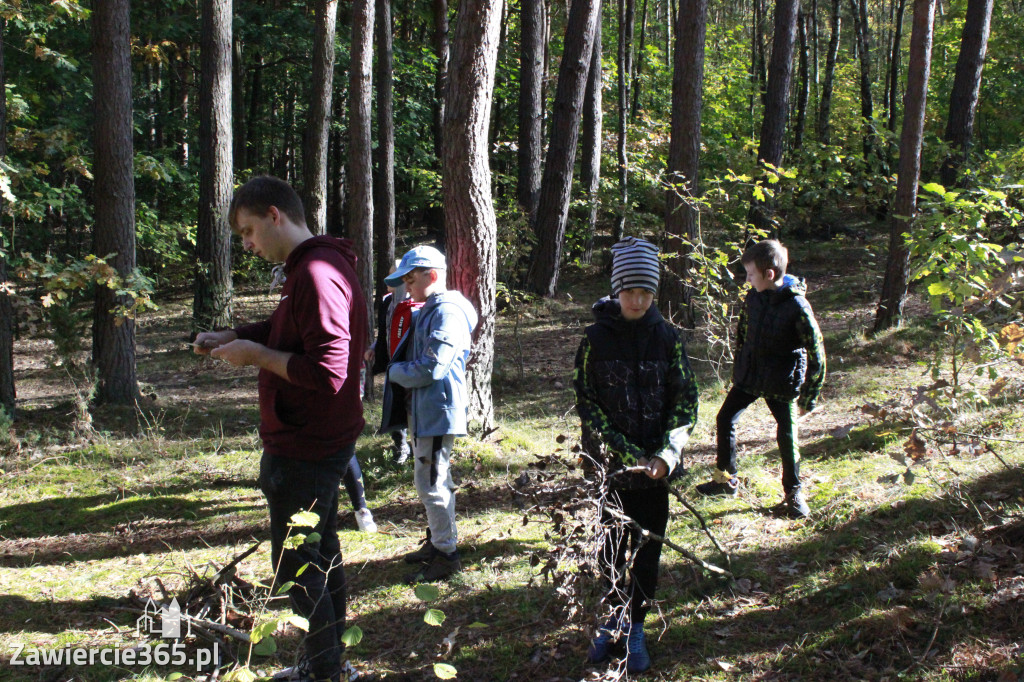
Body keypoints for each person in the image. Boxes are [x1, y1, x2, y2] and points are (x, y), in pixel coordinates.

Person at [194, 176, 367, 682]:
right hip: (313, 439)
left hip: (306, 446)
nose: (247, 244)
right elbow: (291, 330)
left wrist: (256, 357)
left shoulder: (315, 272)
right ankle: (329, 665)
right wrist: (237, 335)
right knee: (321, 551)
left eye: (248, 231)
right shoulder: (315, 267)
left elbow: (329, 372)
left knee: (302, 563)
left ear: (275, 215)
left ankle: (322, 671)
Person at [574, 236, 699, 674]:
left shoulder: (668, 339)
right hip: (610, 473)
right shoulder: (593, 340)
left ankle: (637, 627)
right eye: (630, 291)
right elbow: (588, 404)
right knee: (609, 549)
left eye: (646, 291)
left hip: (655, 476)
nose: (638, 299)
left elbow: (685, 403)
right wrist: (625, 454)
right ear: (616, 290)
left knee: (647, 555)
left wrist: (666, 454)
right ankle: (609, 622)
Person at [695, 239, 826, 520]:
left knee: (787, 435)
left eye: (751, 275)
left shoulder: (798, 307)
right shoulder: (753, 297)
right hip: (751, 376)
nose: (747, 280)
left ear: (769, 275)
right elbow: (743, 333)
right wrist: (740, 369)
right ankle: (726, 480)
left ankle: (793, 493)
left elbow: (818, 353)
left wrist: (809, 396)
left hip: (782, 381)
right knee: (725, 418)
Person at [379, 245, 478, 584]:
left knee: (432, 483)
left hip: (437, 409)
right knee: (431, 479)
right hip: (424, 409)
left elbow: (432, 368)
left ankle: (447, 555)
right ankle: (437, 543)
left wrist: (392, 372)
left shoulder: (446, 312)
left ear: (431, 276)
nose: (406, 287)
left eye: (410, 279)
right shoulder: (431, 308)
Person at [364, 261, 419, 465]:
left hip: (410, 364)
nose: (389, 282)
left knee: (410, 407)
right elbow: (385, 331)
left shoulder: (416, 303)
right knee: (393, 404)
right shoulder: (387, 303)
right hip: (392, 363)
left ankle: (416, 448)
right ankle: (400, 446)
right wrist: (374, 347)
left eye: (394, 278)